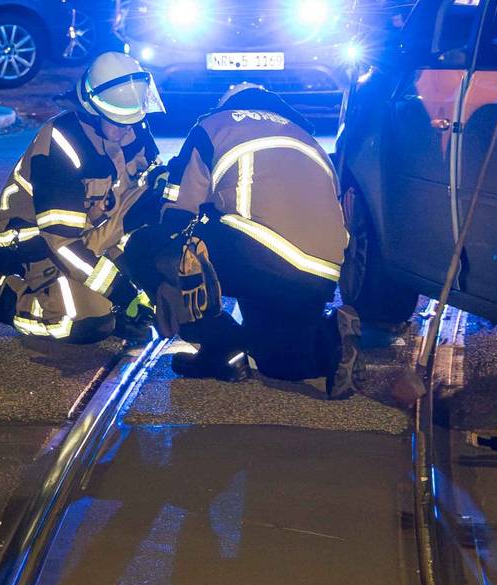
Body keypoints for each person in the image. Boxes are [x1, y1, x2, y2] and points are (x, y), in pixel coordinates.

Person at [125, 84, 358, 399]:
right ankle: (331, 342)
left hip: (259, 252)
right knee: (279, 364)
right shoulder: (308, 139)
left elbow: (178, 210)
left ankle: (219, 344)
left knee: (150, 248)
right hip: (321, 273)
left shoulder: (212, 126)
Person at [0, 53, 164, 343]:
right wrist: (122, 293)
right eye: (120, 124)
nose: (129, 130)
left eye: (134, 121)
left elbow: (149, 178)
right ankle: (8, 294)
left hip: (93, 231)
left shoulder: (129, 122)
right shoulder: (62, 146)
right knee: (92, 323)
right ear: (93, 113)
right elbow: (64, 245)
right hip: (36, 240)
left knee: (150, 281)